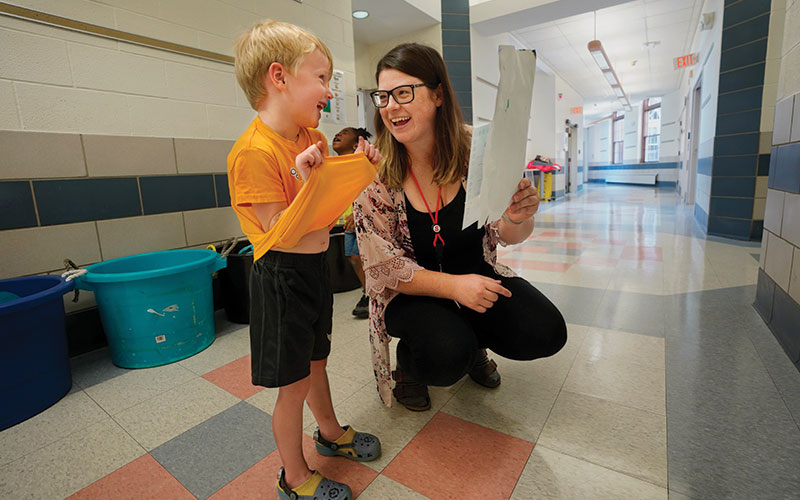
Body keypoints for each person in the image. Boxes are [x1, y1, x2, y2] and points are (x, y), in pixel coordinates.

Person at [353, 43, 567, 411]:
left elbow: (509, 233)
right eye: (383, 96)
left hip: (474, 273)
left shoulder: (475, 149)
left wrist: (518, 217)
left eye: (403, 92)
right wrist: (455, 287)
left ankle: (471, 342)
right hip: (409, 294)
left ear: (438, 95)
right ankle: (412, 367)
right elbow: (381, 266)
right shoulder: (374, 172)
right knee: (446, 353)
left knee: (545, 330)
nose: (390, 106)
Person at [227, 20, 382, 499]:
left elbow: (323, 209)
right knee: (292, 383)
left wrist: (361, 172)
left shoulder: (304, 135)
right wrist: (308, 179)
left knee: (317, 360)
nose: (328, 91)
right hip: (282, 277)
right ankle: (293, 477)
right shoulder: (254, 152)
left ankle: (330, 432)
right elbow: (280, 232)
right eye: (321, 77)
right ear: (279, 77)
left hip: (313, 269)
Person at [332, 127, 373, 318]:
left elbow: (369, 192)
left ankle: (375, 294)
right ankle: (368, 293)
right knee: (354, 258)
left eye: (345, 132)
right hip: (348, 221)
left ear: (357, 144)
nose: (338, 134)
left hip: (363, 218)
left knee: (366, 257)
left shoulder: (363, 164)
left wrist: (357, 214)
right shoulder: (335, 166)